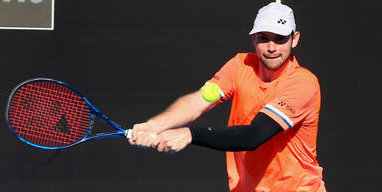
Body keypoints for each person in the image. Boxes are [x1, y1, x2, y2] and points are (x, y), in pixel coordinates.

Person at [129, 2, 326, 192]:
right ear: (253, 39)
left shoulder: (303, 83)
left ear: (295, 38)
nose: (272, 47)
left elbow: (254, 135)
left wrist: (191, 135)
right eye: (264, 38)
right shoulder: (240, 65)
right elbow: (199, 101)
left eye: (280, 38)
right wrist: (154, 126)